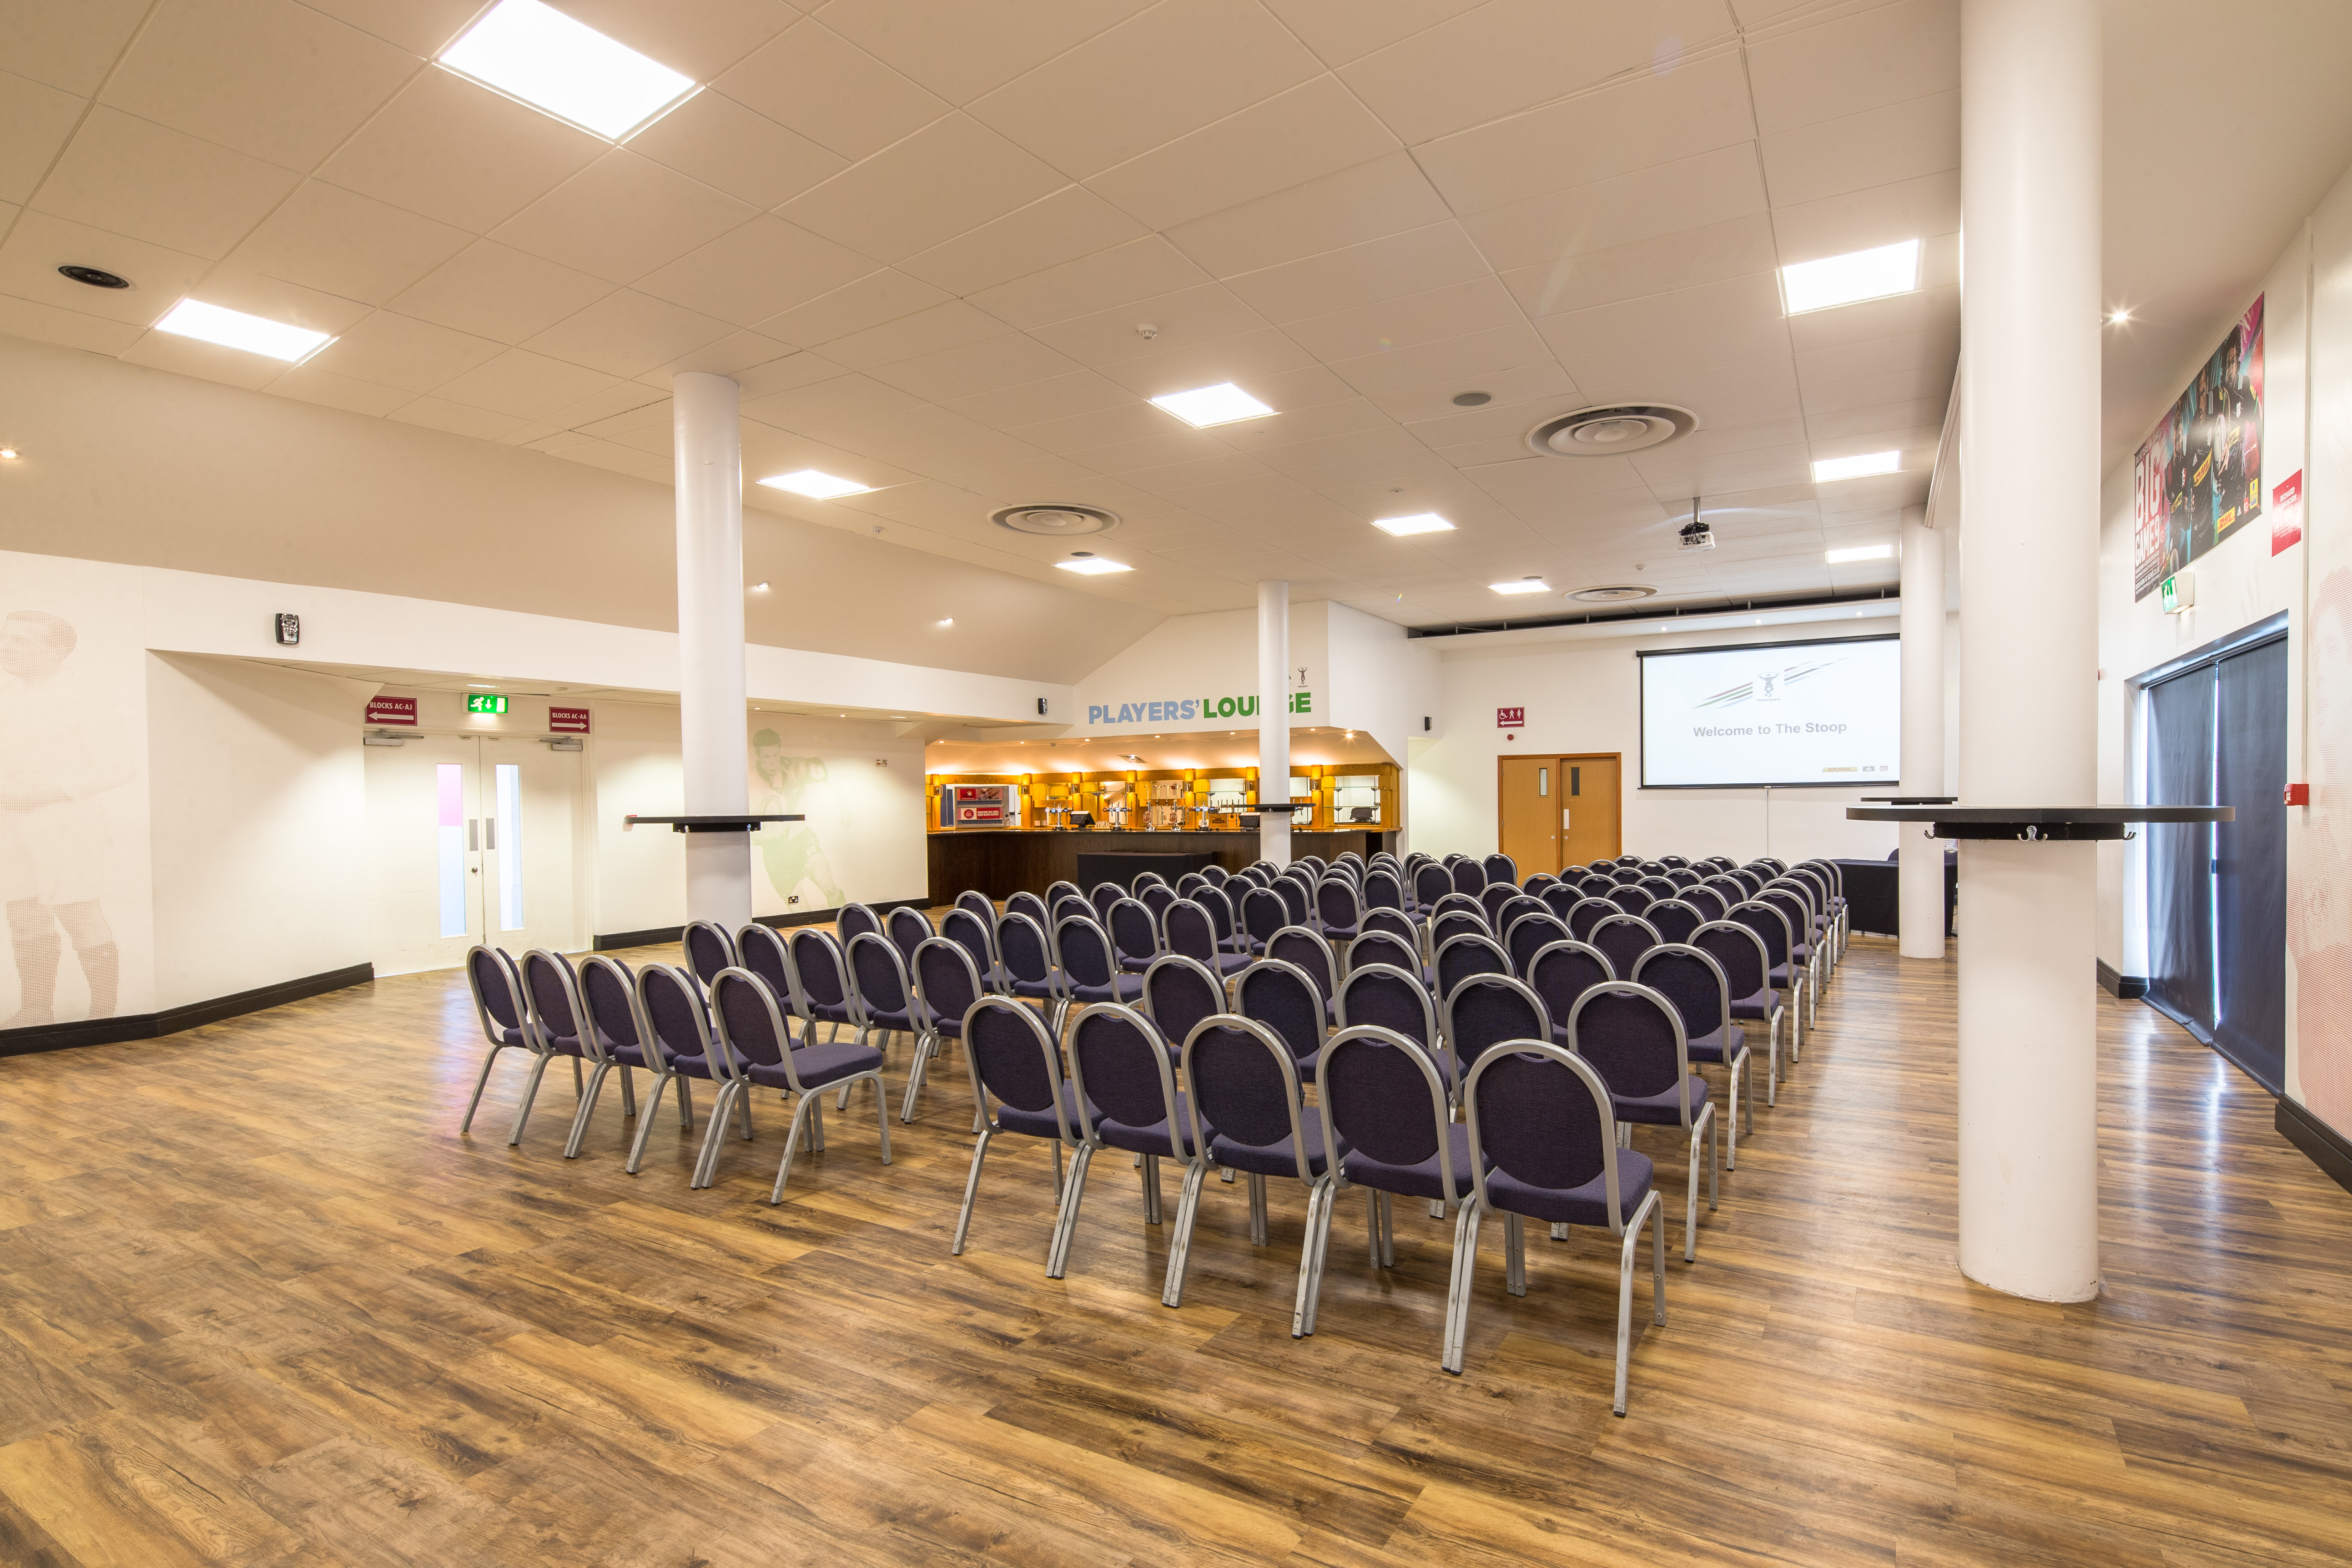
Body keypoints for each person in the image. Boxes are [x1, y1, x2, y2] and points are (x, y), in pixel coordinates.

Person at [1, 610, 133, 1027]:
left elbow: (119, 767)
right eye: (6, 638)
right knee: (23, 912)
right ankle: (36, 1010)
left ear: (57, 649)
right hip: (10, 824)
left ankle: (103, 1016)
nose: (7, 647)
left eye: (22, 640)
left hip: (67, 825)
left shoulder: (87, 696)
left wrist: (37, 792)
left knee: (79, 914)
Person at [750, 730, 845, 908]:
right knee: (798, 906)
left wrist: (845, 810)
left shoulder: (794, 767)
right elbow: (749, 831)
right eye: (766, 757)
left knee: (830, 888)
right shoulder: (750, 781)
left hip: (802, 840)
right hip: (776, 855)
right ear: (758, 755)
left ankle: (848, 926)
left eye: (775, 755)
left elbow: (830, 776)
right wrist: (763, 835)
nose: (772, 762)